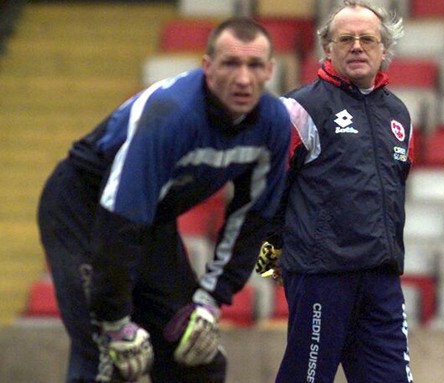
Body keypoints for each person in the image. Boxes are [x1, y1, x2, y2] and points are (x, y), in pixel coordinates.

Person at [37, 17, 290, 383]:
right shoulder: (170, 115)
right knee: (107, 358)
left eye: (254, 65)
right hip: (84, 210)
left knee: (197, 357)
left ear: (270, 71)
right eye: (230, 63)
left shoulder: (273, 124)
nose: (243, 79)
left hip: (148, 220)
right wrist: (115, 321)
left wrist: (210, 301)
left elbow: (253, 219)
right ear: (207, 67)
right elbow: (120, 221)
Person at [255, 1, 415, 382]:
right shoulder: (298, 108)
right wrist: (277, 243)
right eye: (346, 39)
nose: (357, 46)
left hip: (381, 277)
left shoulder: (399, 114)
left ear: (383, 49)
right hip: (322, 275)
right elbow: (265, 183)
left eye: (367, 39)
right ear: (327, 47)